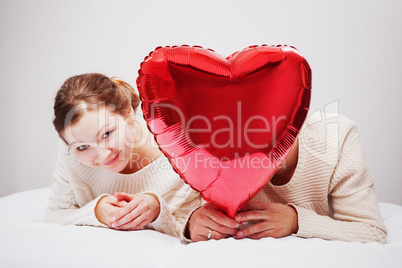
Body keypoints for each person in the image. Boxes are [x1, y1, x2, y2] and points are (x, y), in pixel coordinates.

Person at [184, 112, 388, 244]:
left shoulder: (338, 137)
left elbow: (371, 231)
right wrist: (190, 222)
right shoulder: (218, 146)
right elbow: (164, 201)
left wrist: (296, 220)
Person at [45, 73, 200, 239]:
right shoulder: (71, 150)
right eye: (83, 147)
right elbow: (54, 216)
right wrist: (96, 212)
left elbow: (193, 225)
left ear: (128, 114)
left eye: (107, 133)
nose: (103, 156)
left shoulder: (181, 157)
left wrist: (158, 211)